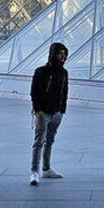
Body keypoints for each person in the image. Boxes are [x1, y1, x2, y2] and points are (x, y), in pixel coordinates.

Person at [29, 42, 69, 185]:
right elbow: (34, 92)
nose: (62, 56)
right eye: (60, 53)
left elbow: (65, 92)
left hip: (57, 113)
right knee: (38, 142)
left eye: (64, 54)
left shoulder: (64, 73)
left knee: (49, 141)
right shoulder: (41, 71)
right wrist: (38, 109)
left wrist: (62, 110)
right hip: (43, 112)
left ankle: (46, 169)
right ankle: (34, 171)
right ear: (53, 54)